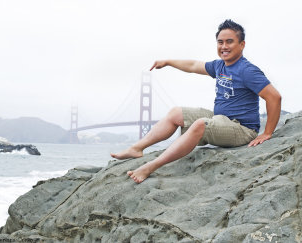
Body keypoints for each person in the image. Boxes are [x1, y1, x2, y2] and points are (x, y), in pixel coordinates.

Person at [111, 19, 281, 183]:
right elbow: (193, 65)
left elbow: (274, 97)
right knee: (176, 113)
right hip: (220, 119)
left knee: (200, 124)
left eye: (229, 42)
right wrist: (168, 62)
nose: (224, 47)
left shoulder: (247, 70)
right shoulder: (220, 66)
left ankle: (150, 167)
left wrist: (267, 133)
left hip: (242, 129)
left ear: (241, 45)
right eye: (220, 42)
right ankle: (137, 148)